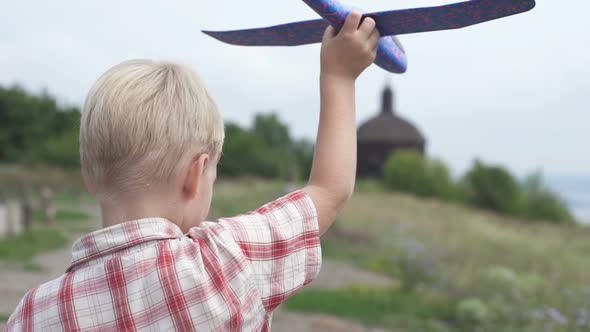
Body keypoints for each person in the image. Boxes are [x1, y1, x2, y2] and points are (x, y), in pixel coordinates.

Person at [6, 11, 379, 331]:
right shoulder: (222, 263)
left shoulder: (33, 312)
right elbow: (329, 191)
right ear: (195, 174)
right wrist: (339, 77)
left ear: (88, 175)